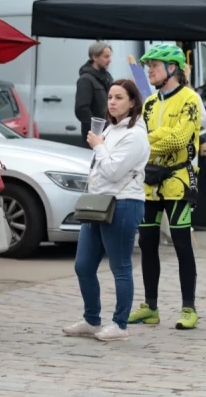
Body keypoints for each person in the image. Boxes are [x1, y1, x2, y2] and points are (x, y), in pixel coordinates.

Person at [63, 79, 148, 342]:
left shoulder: (135, 134)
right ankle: (91, 319)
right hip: (98, 202)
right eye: (110, 97)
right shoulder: (111, 128)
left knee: (120, 266)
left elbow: (113, 170)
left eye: (119, 97)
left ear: (132, 102)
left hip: (124, 203)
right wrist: (100, 145)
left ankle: (120, 324)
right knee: (83, 265)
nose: (112, 102)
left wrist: (98, 146)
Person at [127, 44, 202, 330]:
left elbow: (179, 139)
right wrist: (157, 138)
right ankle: (150, 306)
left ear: (173, 69)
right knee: (147, 244)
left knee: (182, 244)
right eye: (148, 66)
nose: (150, 71)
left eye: (155, 66)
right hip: (149, 183)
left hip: (177, 182)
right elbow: (138, 137)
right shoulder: (149, 103)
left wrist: (150, 140)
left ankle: (189, 308)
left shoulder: (190, 99)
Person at [74, 42, 114, 147]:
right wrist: (98, 130)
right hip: (94, 140)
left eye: (109, 56)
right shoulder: (85, 80)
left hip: (109, 135)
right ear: (95, 57)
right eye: (106, 57)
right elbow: (82, 110)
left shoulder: (107, 78)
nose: (109, 60)